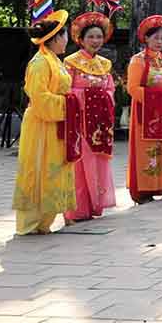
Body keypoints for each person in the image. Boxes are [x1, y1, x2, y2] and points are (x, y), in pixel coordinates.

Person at [12, 10, 76, 234]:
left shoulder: (54, 60)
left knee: (53, 169)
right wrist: (68, 104)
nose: (67, 40)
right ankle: (29, 224)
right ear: (57, 38)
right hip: (41, 125)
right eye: (65, 36)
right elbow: (39, 98)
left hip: (55, 124)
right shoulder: (40, 63)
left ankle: (43, 222)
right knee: (37, 169)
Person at [63, 12, 118, 223]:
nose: (95, 41)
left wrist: (103, 97)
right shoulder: (71, 62)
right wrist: (89, 95)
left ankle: (97, 204)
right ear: (81, 39)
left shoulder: (105, 63)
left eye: (99, 37)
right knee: (80, 163)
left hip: (100, 122)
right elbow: (67, 90)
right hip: (80, 121)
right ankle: (78, 209)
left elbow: (111, 89)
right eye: (91, 37)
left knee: (98, 161)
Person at [126, 15, 162, 204]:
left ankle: (156, 187)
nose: (159, 42)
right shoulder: (138, 60)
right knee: (144, 151)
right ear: (146, 39)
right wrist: (156, 97)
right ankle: (141, 192)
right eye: (155, 38)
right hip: (143, 113)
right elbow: (132, 88)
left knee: (160, 149)